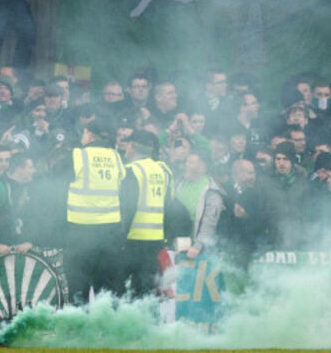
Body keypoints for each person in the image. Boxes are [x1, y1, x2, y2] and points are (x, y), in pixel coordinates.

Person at [65, 118, 125, 302]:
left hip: (81, 230)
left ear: (89, 134)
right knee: (106, 288)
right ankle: (105, 319)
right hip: (110, 231)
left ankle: (79, 319)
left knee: (78, 284)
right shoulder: (116, 157)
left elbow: (57, 181)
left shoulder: (78, 155)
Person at [119, 130, 174, 297]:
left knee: (119, 289)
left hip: (133, 239)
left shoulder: (131, 171)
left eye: (128, 144)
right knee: (146, 291)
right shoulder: (164, 171)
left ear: (133, 146)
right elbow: (169, 206)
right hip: (156, 240)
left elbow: (127, 208)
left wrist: (120, 237)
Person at [175, 151, 224, 258]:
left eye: (191, 162)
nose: (186, 165)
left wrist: (198, 246)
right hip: (175, 241)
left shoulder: (211, 191)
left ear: (202, 166)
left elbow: (209, 223)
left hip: (195, 247)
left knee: (187, 268)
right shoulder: (178, 183)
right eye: (186, 162)